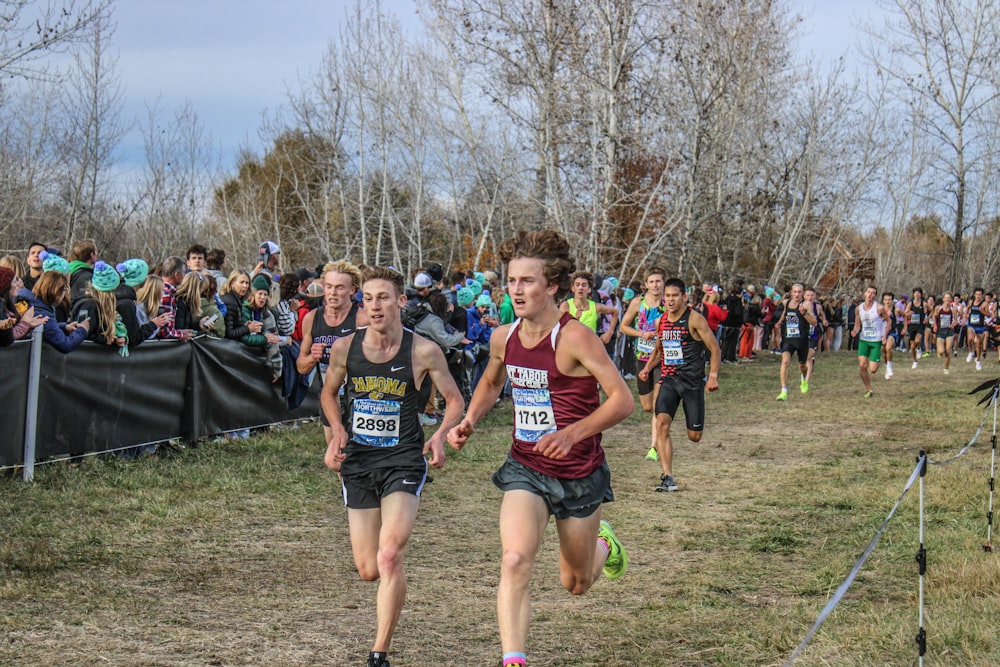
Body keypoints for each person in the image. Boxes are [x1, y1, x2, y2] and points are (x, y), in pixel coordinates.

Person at [447, 230, 633, 667]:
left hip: (578, 472)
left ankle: (604, 546)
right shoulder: (503, 337)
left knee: (577, 582)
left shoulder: (575, 338)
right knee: (514, 559)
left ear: (552, 286)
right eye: (511, 281)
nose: (516, 289)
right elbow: (492, 382)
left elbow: (622, 400)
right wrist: (469, 419)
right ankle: (514, 660)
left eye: (527, 281)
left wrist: (572, 433)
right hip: (525, 467)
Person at [321, 265, 464, 667]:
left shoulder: (422, 350)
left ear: (401, 301)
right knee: (368, 569)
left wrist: (438, 437)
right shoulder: (345, 348)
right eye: (367, 298)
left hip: (403, 459)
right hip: (359, 461)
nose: (375, 305)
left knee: (389, 556)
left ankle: (378, 652)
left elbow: (454, 401)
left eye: (383, 297)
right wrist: (336, 431)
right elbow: (329, 394)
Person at [638, 277, 721, 492]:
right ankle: (668, 476)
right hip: (668, 380)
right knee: (661, 423)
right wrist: (647, 368)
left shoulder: (695, 319)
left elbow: (715, 348)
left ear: (684, 297)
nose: (670, 299)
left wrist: (712, 375)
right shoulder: (662, 321)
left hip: (692, 383)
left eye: (675, 296)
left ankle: (693, 427)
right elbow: (659, 349)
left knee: (694, 437)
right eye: (667, 296)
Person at [297, 260, 369, 444]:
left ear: (352, 290)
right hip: (330, 394)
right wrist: (313, 357)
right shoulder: (312, 318)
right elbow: (301, 367)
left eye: (339, 288)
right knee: (336, 453)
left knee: (360, 452)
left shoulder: (362, 319)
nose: (332, 293)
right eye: (328, 286)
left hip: (359, 394)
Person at [619, 268, 666, 461]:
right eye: (652, 281)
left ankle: (654, 447)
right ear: (646, 284)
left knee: (658, 405)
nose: (655, 285)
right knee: (647, 406)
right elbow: (623, 326)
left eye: (659, 281)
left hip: (663, 358)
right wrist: (641, 334)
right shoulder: (638, 303)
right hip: (643, 356)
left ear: (663, 283)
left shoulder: (668, 303)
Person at [773, 283, 817, 400]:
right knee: (785, 361)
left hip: (802, 340)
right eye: (795, 292)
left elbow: (814, 322)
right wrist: (779, 322)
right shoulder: (786, 303)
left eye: (799, 292)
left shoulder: (807, 304)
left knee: (802, 366)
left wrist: (804, 313)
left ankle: (803, 379)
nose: (797, 294)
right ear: (791, 292)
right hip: (789, 339)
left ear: (803, 293)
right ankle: (783, 391)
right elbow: (784, 313)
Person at [29, 271, 90, 353]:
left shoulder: (34, 304)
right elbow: (65, 344)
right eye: (64, 290)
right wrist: (82, 330)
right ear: (57, 292)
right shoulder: (44, 315)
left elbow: (47, 329)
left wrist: (64, 327)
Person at [559, 271, 618, 349]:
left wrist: (609, 332)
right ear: (573, 288)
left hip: (590, 349)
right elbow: (559, 328)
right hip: (571, 348)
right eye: (577, 285)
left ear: (589, 289)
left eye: (584, 285)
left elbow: (615, 312)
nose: (580, 288)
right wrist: (574, 319)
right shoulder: (566, 306)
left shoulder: (596, 307)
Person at [852, 286, 889, 398]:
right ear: (864, 293)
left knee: (872, 370)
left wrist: (885, 335)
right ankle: (869, 389)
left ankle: (874, 359)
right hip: (864, 340)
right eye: (868, 292)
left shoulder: (879, 308)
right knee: (862, 366)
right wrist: (855, 330)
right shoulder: (858, 308)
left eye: (873, 293)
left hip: (876, 341)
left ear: (875, 296)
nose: (870, 295)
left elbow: (889, 321)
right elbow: (857, 323)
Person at [933, 292, 957, 373]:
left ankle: (946, 368)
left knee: (948, 351)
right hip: (940, 331)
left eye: (949, 298)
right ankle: (939, 351)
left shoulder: (953, 309)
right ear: (943, 299)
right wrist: (935, 325)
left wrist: (953, 324)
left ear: (951, 299)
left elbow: (956, 320)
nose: (947, 299)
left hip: (949, 331)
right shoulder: (938, 308)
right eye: (946, 298)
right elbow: (934, 316)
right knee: (941, 352)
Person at [904, 287, 928, 369]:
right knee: (912, 346)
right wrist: (908, 313)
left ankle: (919, 348)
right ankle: (915, 361)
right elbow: (905, 313)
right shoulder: (910, 303)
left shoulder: (924, 304)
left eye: (918, 293)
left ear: (921, 295)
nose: (917, 295)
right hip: (912, 326)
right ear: (913, 294)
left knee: (917, 340)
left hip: (920, 326)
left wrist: (927, 318)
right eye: (915, 293)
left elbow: (932, 311)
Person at [965, 287, 988, 372]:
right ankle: (971, 351)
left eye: (980, 295)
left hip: (980, 326)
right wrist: (964, 318)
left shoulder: (984, 304)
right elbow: (967, 309)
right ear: (974, 295)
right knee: (970, 338)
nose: (978, 296)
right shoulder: (971, 302)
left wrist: (983, 311)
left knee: (979, 344)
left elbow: (989, 314)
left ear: (982, 295)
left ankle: (978, 360)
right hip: (971, 324)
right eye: (977, 294)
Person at [881, 292, 900, 379]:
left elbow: (905, 315)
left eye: (889, 300)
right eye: (886, 300)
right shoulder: (880, 310)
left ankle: (889, 366)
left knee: (889, 348)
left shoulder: (895, 310)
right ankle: (887, 366)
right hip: (882, 333)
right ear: (883, 301)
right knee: (884, 351)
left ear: (892, 301)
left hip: (892, 333)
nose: (887, 302)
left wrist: (904, 328)